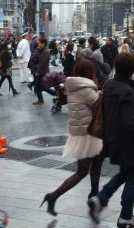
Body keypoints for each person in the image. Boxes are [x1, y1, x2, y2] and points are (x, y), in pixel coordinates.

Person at [87, 53, 134, 227]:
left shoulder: (109, 85)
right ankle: (126, 215)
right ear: (132, 70)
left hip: (112, 138)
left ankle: (100, 199)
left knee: (124, 174)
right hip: (128, 142)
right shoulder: (127, 92)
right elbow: (131, 123)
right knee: (133, 177)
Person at [43, 59, 104, 216]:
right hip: (88, 135)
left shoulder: (74, 86)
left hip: (82, 133)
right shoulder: (86, 89)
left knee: (96, 164)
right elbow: (99, 105)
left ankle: (94, 197)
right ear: (90, 73)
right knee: (83, 171)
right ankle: (53, 196)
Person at [31, 38, 55, 105]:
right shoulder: (42, 51)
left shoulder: (46, 52)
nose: (38, 44)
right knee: (38, 86)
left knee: (43, 87)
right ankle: (40, 100)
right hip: (40, 71)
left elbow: (43, 64)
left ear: (43, 44)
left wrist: (38, 72)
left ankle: (56, 94)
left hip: (43, 72)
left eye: (39, 43)